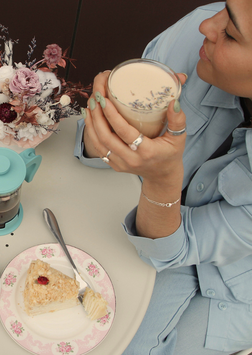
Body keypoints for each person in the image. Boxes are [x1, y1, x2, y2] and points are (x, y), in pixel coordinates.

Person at [74, 1, 252, 354]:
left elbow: (176, 248)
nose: (207, 26)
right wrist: (100, 137)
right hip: (140, 220)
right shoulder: (197, 37)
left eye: (230, 33)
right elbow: (97, 151)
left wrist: (162, 179)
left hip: (234, 276)